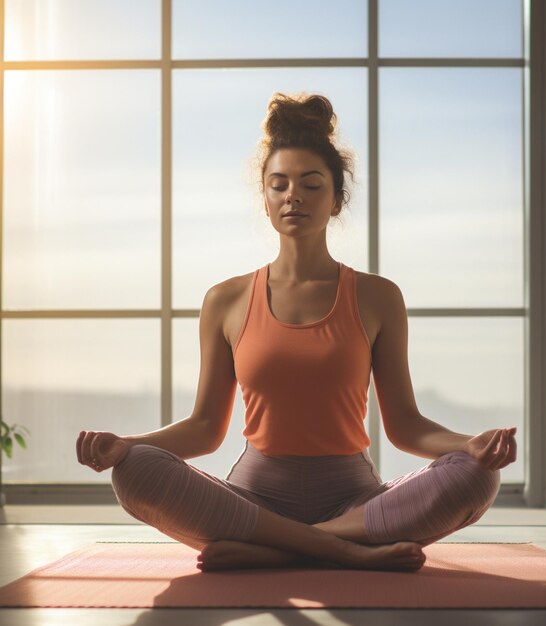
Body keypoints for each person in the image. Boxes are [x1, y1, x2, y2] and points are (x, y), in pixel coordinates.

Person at [76, 92, 516, 573]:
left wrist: (470, 446)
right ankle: (340, 550)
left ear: (335, 198)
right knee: (135, 469)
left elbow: (406, 426)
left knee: (476, 477)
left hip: (352, 502)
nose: (294, 196)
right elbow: (204, 429)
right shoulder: (225, 300)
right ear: (264, 199)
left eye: (311, 184)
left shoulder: (377, 296)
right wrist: (127, 444)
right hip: (254, 501)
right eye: (279, 184)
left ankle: (282, 548)